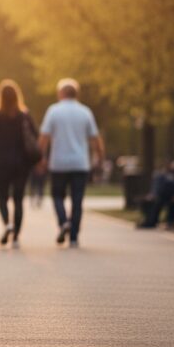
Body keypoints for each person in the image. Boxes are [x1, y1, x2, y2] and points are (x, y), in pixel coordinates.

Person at [38, 78, 104, 248]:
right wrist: (100, 158)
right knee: (77, 200)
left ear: (60, 93)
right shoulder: (85, 112)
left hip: (58, 163)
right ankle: (74, 236)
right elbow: (96, 139)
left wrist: (40, 158)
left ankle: (63, 222)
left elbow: (44, 138)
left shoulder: (53, 111)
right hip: (80, 163)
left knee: (57, 196)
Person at [0, 79, 39, 248]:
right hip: (22, 163)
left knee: (2, 197)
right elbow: (35, 135)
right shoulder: (24, 115)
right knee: (18, 199)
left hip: (2, 162)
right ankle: (15, 238)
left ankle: (7, 224)